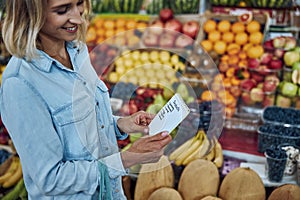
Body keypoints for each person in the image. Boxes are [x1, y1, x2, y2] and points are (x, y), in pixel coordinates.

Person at [0, 0, 172, 199]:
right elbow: (51, 179)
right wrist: (127, 158)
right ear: (30, 14)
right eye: (62, 10)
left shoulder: (76, 50)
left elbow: (81, 123)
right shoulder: (21, 84)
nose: (78, 18)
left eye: (79, 3)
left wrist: (121, 125)